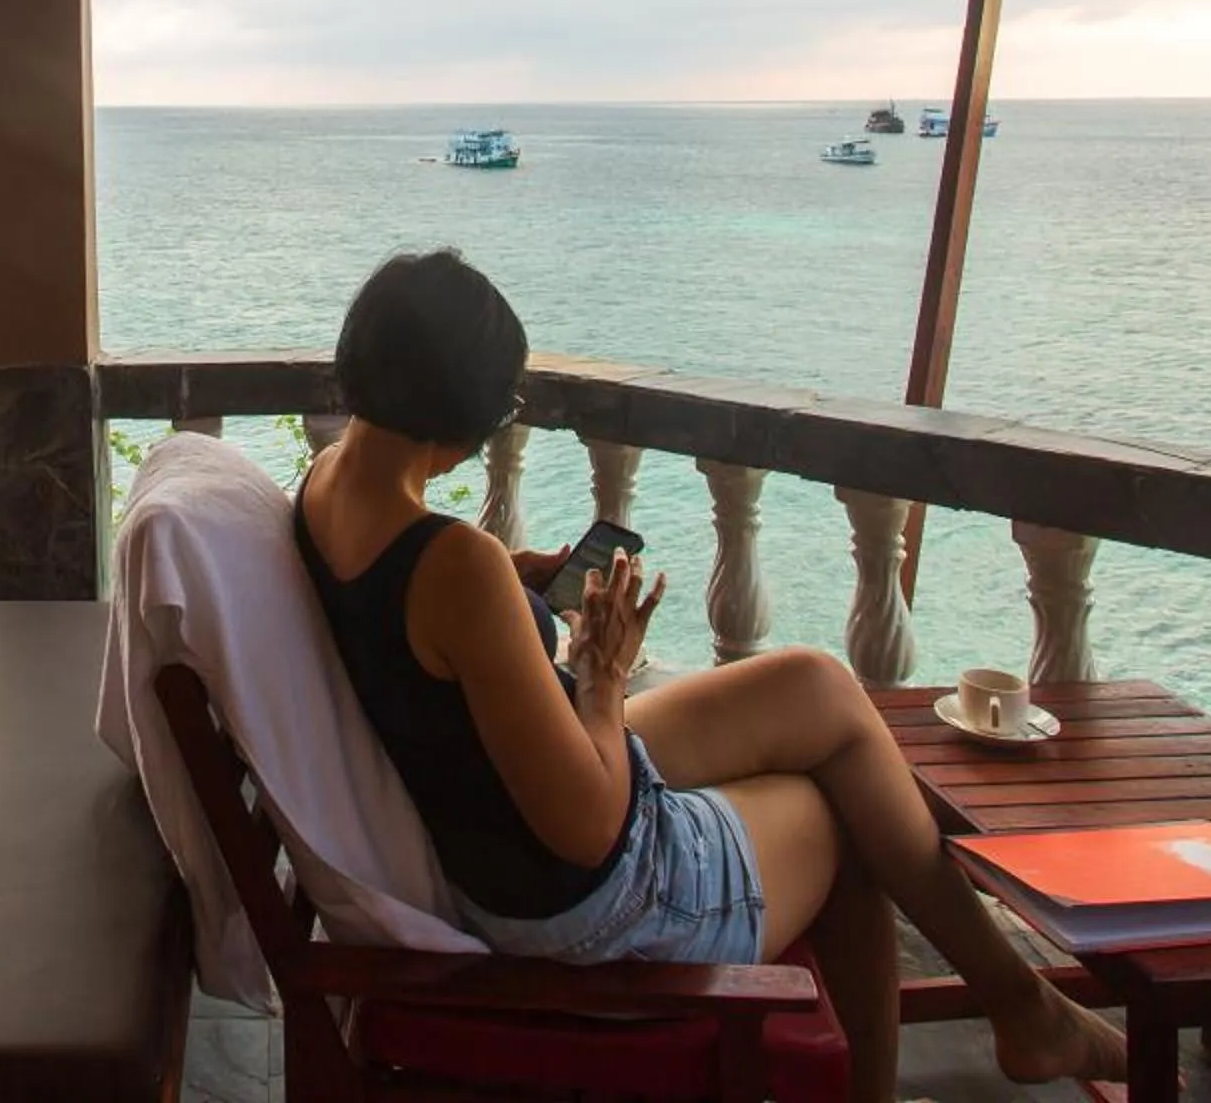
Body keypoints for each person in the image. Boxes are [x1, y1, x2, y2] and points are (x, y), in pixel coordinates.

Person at [294, 250, 1127, 1100]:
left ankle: (1024, 1007)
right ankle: (1016, 1016)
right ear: (464, 413)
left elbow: (411, 624)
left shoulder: (328, 487)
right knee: (842, 818)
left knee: (814, 686)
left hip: (501, 813)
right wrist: (604, 676)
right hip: (577, 896)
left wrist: (516, 582)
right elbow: (587, 830)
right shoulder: (455, 568)